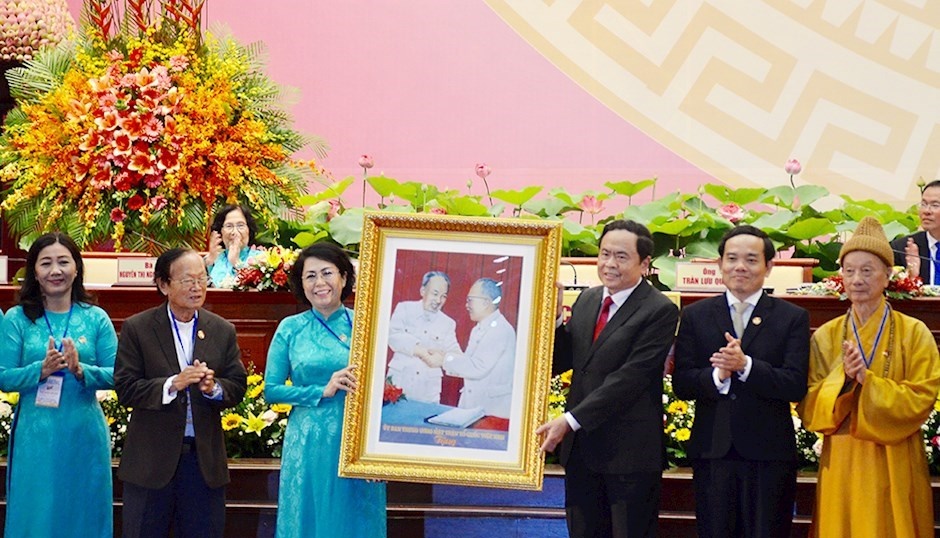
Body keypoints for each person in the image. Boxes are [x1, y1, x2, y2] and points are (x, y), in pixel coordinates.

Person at [536, 219, 679, 538]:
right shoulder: (588, 299)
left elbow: (630, 379)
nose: (610, 263)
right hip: (582, 452)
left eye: (621, 256)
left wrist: (569, 421)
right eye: (604, 254)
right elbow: (565, 362)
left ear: (644, 264)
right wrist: (555, 319)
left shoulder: (659, 310)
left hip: (629, 457)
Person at [798, 216, 940, 537]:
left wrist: (868, 380)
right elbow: (808, 404)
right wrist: (845, 379)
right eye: (849, 271)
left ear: (888, 275)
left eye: (867, 270)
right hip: (843, 457)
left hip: (896, 456)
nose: (857, 279)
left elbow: (922, 397)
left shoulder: (914, 332)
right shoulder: (826, 335)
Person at [672, 225, 809, 538]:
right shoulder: (695, 315)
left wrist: (746, 366)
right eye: (732, 259)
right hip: (713, 452)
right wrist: (718, 375)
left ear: (769, 266)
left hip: (769, 455)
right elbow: (683, 383)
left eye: (751, 259)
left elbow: (795, 384)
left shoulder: (791, 317)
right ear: (719, 264)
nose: (740, 267)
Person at [115, 248, 247, 538]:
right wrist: (173, 384)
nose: (197, 287)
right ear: (164, 285)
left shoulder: (221, 329)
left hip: (203, 464)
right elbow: (125, 388)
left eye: (202, 279)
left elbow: (237, 385)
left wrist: (213, 388)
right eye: (188, 280)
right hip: (150, 462)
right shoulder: (138, 328)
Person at [264, 242, 386, 537]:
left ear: (344, 277)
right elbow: (272, 390)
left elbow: (387, 385)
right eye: (310, 276)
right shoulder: (290, 328)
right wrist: (321, 390)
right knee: (311, 517)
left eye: (327, 273)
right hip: (309, 440)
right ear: (301, 284)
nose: (319, 282)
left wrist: (378, 453)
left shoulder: (366, 324)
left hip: (356, 442)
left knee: (355, 520)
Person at [0, 232, 117, 538]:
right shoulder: (17, 319)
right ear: (34, 272)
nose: (56, 270)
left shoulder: (96, 318)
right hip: (35, 438)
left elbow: (120, 374)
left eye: (63, 262)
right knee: (37, 514)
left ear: (77, 268)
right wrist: (40, 370)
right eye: (46, 263)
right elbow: (3, 376)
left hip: (84, 435)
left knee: (83, 513)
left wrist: (81, 371)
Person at [423, 277, 516, 419]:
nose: (466, 305)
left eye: (470, 300)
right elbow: (468, 362)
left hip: (492, 412)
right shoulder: (479, 327)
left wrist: (444, 360)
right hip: (473, 406)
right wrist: (444, 354)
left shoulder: (500, 330)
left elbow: (478, 367)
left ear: (485, 302)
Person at [386, 270, 461, 403]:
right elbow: (393, 336)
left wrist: (443, 359)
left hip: (428, 391)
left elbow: (455, 354)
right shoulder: (405, 309)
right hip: (399, 383)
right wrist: (422, 352)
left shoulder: (448, 323)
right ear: (423, 291)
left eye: (443, 296)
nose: (438, 300)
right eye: (435, 294)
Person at [890, 179, 940, 283]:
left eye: (935, 205)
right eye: (923, 204)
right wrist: (912, 277)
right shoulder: (901, 248)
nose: (926, 211)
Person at [205, 204, 261, 286]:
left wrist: (236, 262)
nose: (235, 232)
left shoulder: (260, 259)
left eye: (240, 225)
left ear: (249, 230)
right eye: (229, 226)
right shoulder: (215, 258)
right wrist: (209, 262)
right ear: (221, 231)